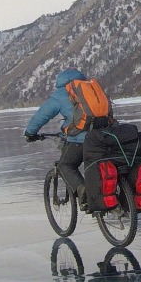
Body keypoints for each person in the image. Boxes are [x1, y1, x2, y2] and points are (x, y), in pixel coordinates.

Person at [24, 69, 91, 205]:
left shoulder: (61, 94)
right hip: (108, 136)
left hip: (81, 140)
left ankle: (82, 189)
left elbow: (42, 116)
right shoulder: (91, 89)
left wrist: (30, 133)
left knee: (65, 165)